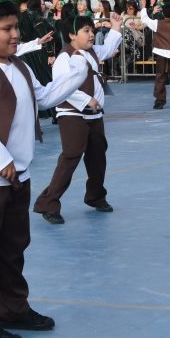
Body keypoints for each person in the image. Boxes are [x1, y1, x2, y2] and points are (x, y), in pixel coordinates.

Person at [0, 0, 91, 338]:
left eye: (16, 28)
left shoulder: (21, 68)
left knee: (12, 248)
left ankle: (12, 308)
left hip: (17, 177)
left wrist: (78, 73)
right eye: (6, 29)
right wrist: (1, 161)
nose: (14, 35)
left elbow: (42, 98)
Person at [33, 12, 123, 224]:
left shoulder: (91, 51)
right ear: (72, 35)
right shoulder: (64, 58)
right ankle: (48, 203)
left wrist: (116, 27)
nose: (91, 35)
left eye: (92, 30)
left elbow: (108, 49)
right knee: (71, 156)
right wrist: (86, 100)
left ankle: (96, 197)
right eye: (86, 31)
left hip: (94, 115)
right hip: (72, 114)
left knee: (98, 155)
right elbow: (63, 87)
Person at [138, 0, 170, 110]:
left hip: (160, 53)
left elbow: (145, 19)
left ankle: (159, 101)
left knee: (160, 77)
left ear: (163, 13)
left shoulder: (157, 23)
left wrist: (144, 7)